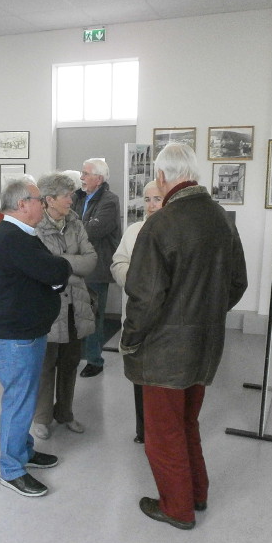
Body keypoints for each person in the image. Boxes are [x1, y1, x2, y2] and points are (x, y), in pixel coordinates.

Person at [120, 143, 247, 530]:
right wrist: (205, 315)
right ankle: (197, 493)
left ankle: (177, 507)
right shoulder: (221, 218)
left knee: (163, 432)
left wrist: (130, 340)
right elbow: (237, 282)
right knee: (188, 422)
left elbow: (144, 297)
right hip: (206, 344)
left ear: (162, 177)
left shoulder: (162, 224)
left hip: (165, 351)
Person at [0, 177, 72, 497]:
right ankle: (10, 469)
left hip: (27, 334)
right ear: (22, 204)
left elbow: (51, 272)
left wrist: (54, 274)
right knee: (18, 403)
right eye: (39, 199)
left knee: (24, 398)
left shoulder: (22, 234)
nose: (44, 203)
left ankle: (23, 452)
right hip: (14, 339)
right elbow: (55, 271)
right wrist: (56, 273)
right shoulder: (12, 238)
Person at [31, 172, 97, 440]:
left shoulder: (75, 223)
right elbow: (40, 269)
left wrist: (60, 264)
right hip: (48, 308)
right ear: (49, 200)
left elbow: (91, 259)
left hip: (76, 307)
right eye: (67, 195)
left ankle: (65, 413)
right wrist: (72, 264)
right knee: (46, 365)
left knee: (70, 362)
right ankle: (42, 418)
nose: (72, 199)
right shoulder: (35, 227)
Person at [110, 181, 164, 444]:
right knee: (139, 376)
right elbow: (118, 262)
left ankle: (161, 433)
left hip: (165, 323)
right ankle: (143, 431)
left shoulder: (176, 232)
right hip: (136, 318)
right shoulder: (133, 231)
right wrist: (136, 280)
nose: (151, 205)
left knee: (163, 383)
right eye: (147, 199)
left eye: (157, 199)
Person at [72, 158, 121, 378]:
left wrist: (74, 227)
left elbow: (93, 231)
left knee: (93, 315)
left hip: (97, 267)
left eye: (85, 174)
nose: (81, 178)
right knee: (76, 312)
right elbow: (68, 223)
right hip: (77, 264)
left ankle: (94, 360)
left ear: (98, 179)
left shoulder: (110, 201)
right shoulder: (78, 197)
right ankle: (76, 355)